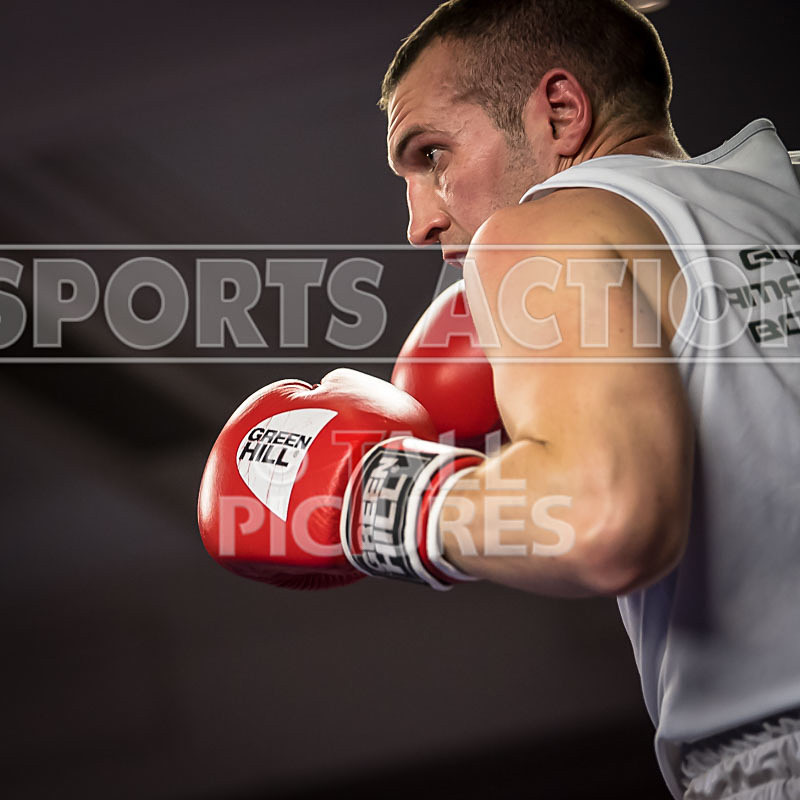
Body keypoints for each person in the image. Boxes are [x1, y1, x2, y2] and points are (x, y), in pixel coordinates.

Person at [198, 1, 800, 796]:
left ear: (559, 111)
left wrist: (366, 496)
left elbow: (603, 520)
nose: (419, 221)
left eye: (433, 154)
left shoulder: (537, 232)